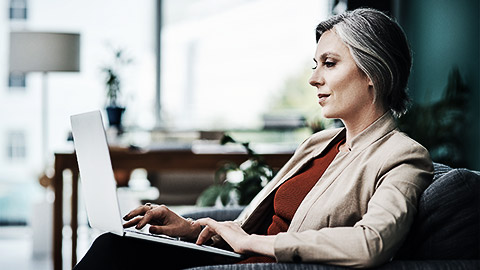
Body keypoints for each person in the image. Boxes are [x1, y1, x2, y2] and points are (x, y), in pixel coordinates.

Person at [75, 8, 433, 269]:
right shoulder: (320, 143)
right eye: (315, 64)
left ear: (372, 71)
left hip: (261, 265)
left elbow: (372, 243)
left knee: (114, 254)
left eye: (329, 63)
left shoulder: (402, 156)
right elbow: (250, 226)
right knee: (113, 244)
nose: (314, 79)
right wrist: (189, 230)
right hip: (238, 257)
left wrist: (256, 243)